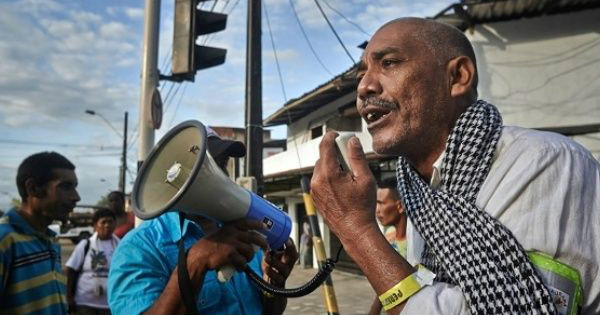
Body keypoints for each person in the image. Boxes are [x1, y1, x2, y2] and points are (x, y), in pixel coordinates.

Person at [311, 17, 599, 315]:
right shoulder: (419, 189)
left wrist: (357, 231)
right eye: (363, 73)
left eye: (390, 63)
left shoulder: (546, 162)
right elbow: (424, 285)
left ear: (458, 77)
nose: (365, 87)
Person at [108, 128, 298, 315]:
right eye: (210, 166)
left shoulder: (241, 230)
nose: (220, 175)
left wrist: (273, 286)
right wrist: (194, 263)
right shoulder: (140, 247)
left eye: (222, 164)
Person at [0, 152, 81, 315]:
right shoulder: (5, 241)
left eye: (75, 187)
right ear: (33, 188)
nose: (76, 197)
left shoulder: (51, 239)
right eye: (65, 187)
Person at [65, 208, 119, 315]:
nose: (107, 225)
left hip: (111, 304)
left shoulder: (121, 246)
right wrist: (69, 297)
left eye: (110, 222)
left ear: (115, 224)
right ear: (95, 225)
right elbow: (70, 271)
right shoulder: (85, 245)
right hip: (85, 304)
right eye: (103, 222)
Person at [368, 177, 408, 315]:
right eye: (376, 204)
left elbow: (421, 279)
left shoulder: (420, 243)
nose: (377, 211)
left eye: (382, 203)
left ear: (400, 206)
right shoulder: (389, 235)